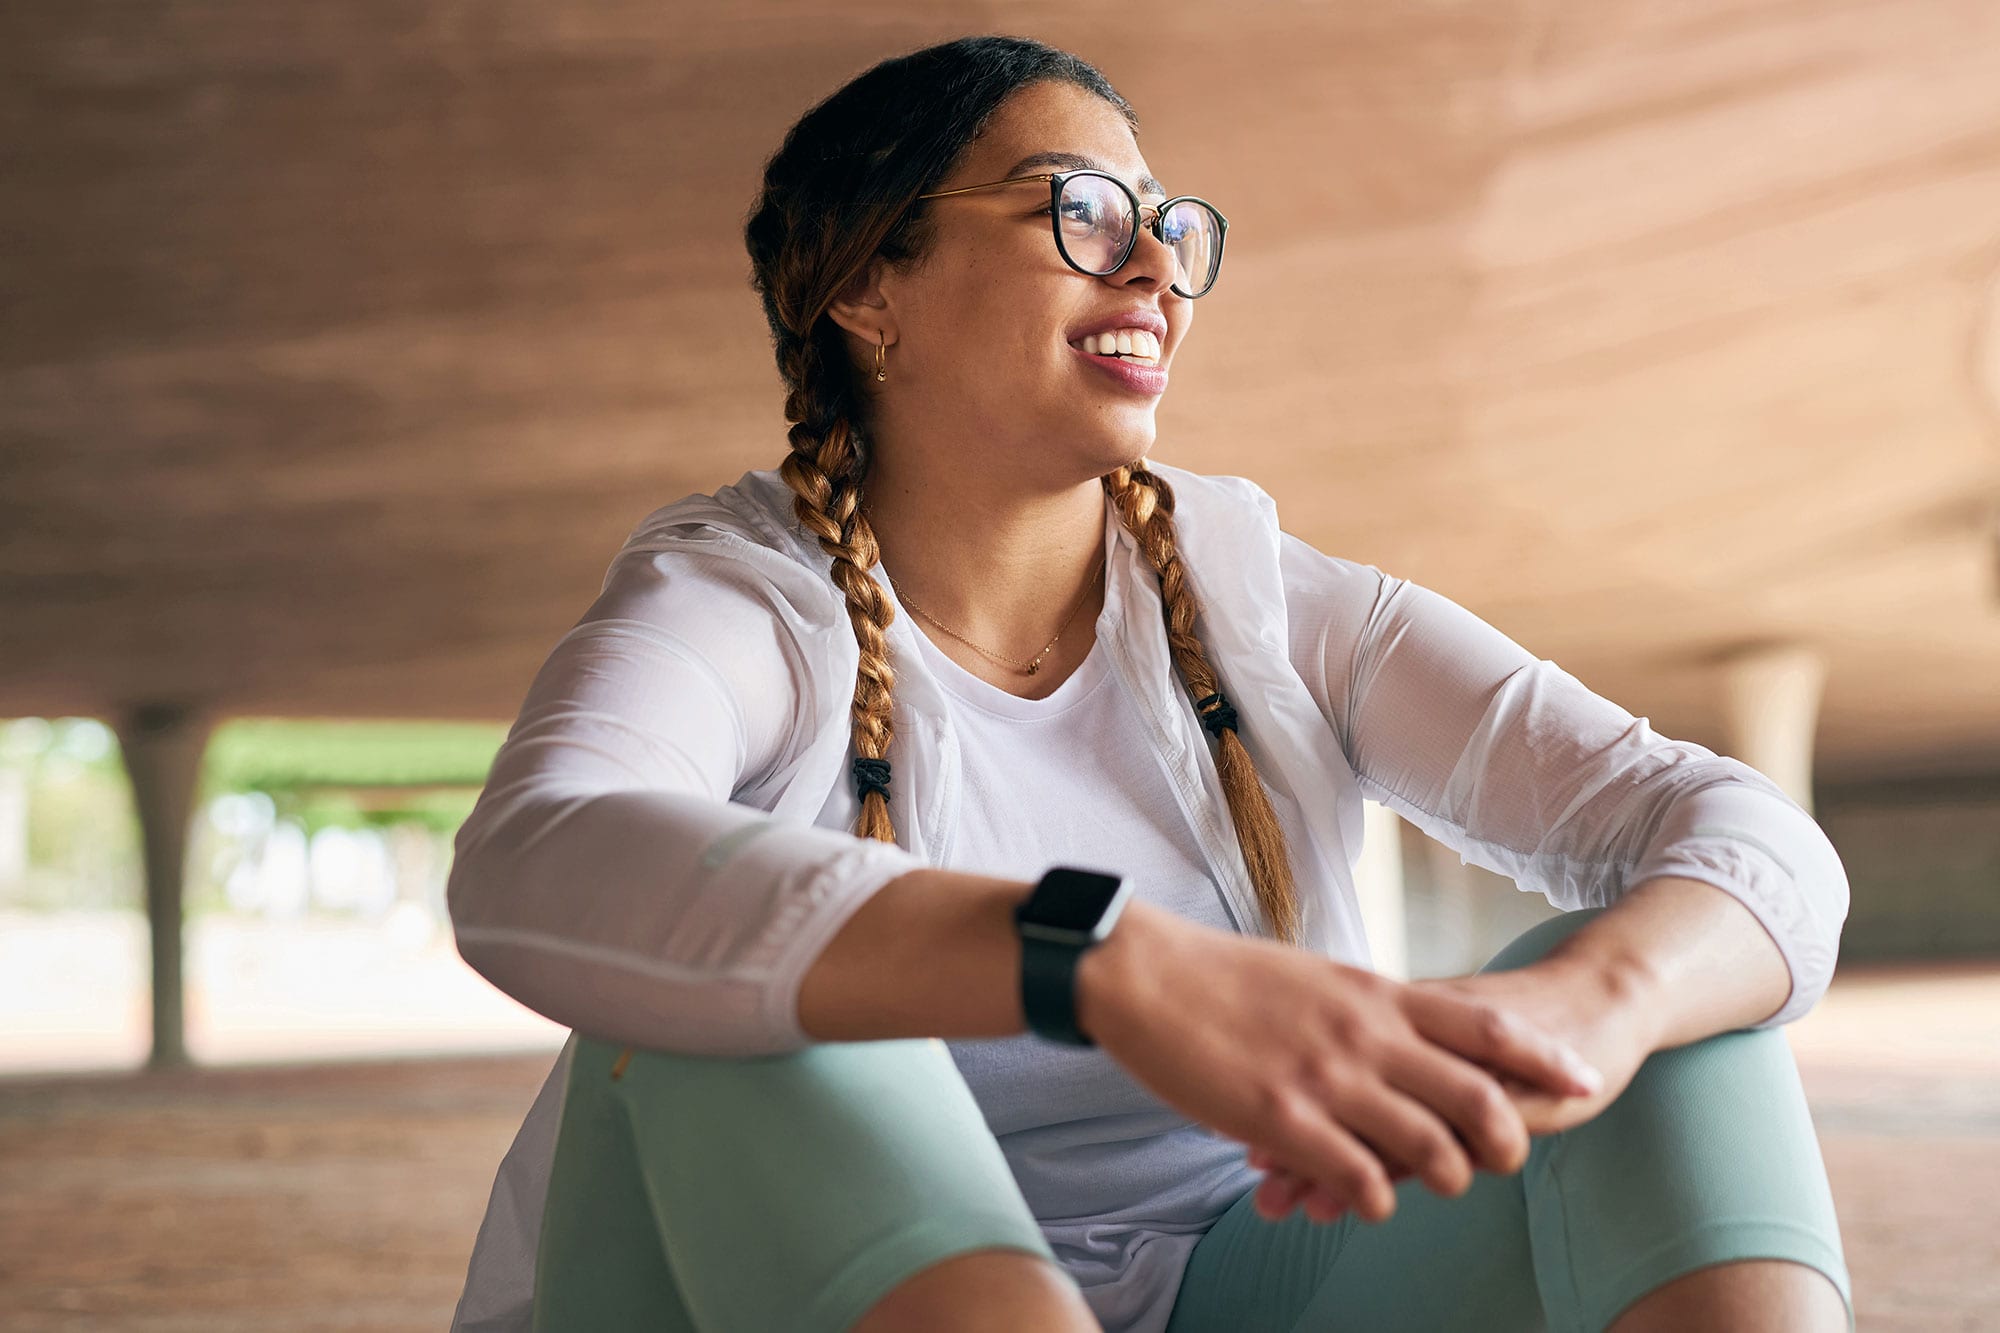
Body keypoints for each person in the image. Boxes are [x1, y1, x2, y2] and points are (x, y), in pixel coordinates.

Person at [444, 34, 1856, 1333]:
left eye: (1167, 229)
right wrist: (1102, 959)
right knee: (738, 1006)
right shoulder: (743, 596)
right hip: (771, 1282)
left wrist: (1588, 1011)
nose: (1156, 273)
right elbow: (533, 852)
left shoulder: (1267, 600)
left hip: (1250, 1270)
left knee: (1674, 1029)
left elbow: (1747, 834)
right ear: (873, 289)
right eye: (1081, 215)